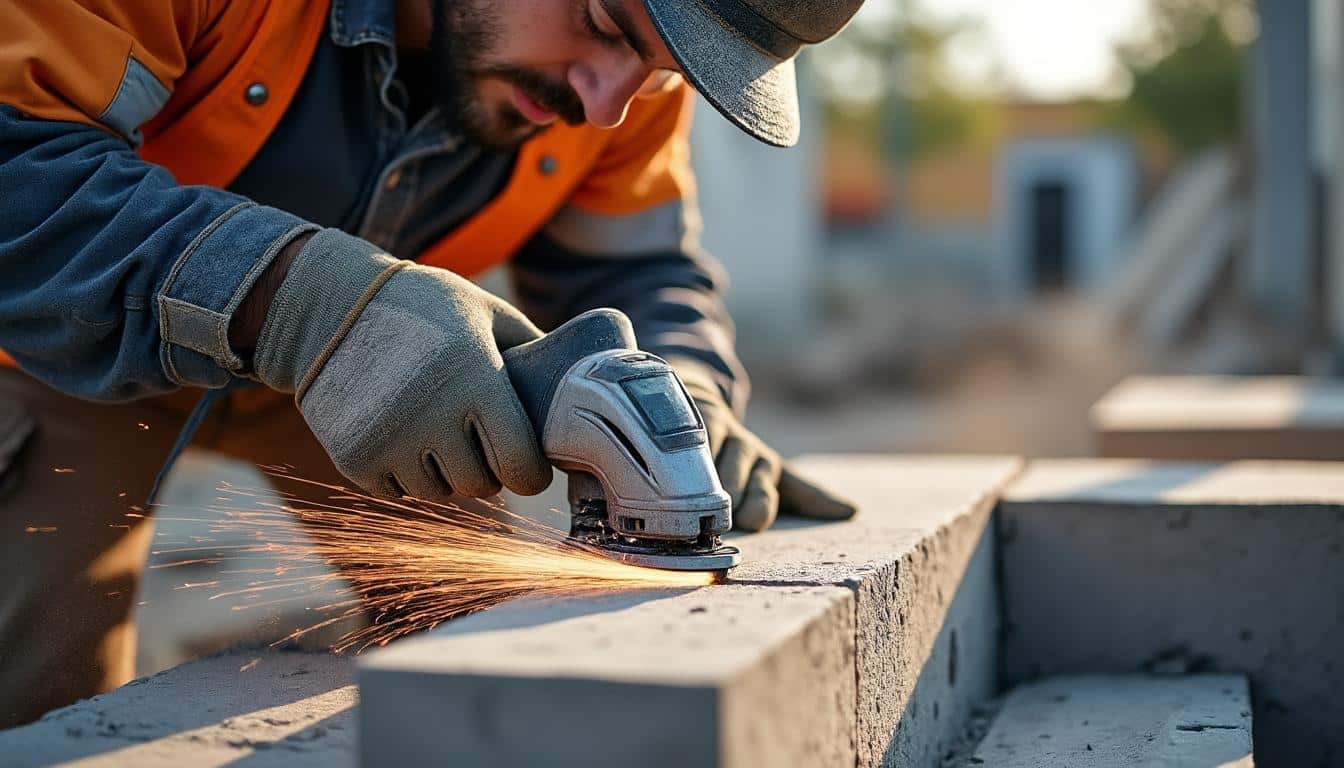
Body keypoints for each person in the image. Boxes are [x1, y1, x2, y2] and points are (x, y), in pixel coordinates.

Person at [0, 0, 866, 726]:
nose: (607, 103)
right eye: (601, 19)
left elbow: (636, 271)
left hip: (366, 377)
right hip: (49, 340)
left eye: (660, 68)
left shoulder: (624, 81)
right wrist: (301, 301)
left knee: (485, 634)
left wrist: (686, 394)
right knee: (40, 684)